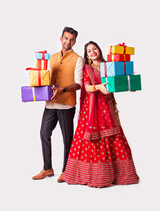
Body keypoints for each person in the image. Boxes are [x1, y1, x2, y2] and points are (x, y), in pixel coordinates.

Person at [63, 41, 139, 188]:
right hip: (91, 109)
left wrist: (130, 85)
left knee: (113, 135)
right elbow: (86, 87)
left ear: (99, 50)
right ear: (87, 56)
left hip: (107, 105)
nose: (92, 52)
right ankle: (88, 174)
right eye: (89, 51)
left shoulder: (108, 65)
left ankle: (118, 174)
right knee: (88, 138)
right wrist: (98, 87)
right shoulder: (88, 68)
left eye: (94, 49)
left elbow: (118, 82)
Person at [32, 27, 84, 182]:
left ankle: (66, 171)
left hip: (66, 106)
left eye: (71, 39)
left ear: (75, 41)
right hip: (50, 104)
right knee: (44, 134)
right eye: (66, 38)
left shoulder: (78, 59)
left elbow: (78, 84)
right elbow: (45, 78)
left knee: (67, 139)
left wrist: (63, 89)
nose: (68, 41)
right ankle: (47, 168)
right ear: (61, 38)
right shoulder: (51, 57)